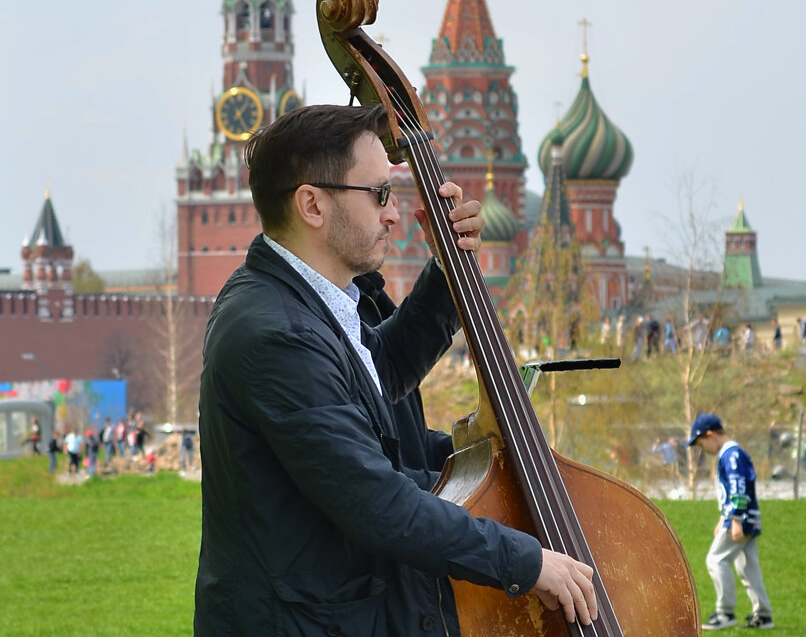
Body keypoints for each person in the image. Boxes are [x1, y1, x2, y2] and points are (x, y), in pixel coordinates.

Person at [194, 104, 597, 636]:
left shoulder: (307, 303)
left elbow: (377, 380)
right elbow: (374, 500)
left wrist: (447, 271)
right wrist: (527, 562)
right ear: (312, 204)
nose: (392, 214)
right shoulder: (276, 333)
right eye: (379, 193)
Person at [688, 413, 773, 631]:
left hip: (740, 518)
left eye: (701, 443)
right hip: (747, 517)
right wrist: (723, 517)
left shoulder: (731, 455)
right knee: (747, 567)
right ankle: (763, 615)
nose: (702, 449)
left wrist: (734, 520)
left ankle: (725, 612)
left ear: (710, 435)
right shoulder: (734, 454)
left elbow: (738, 488)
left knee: (716, 560)